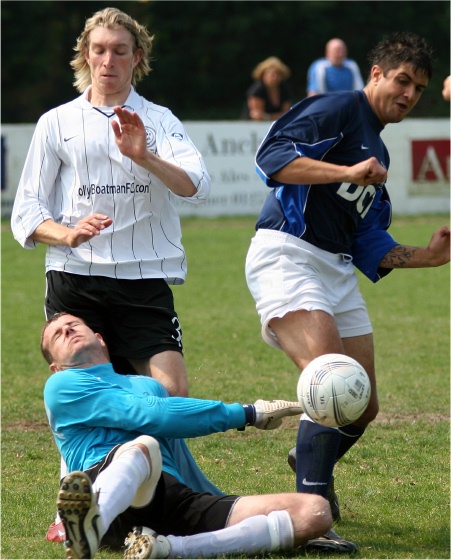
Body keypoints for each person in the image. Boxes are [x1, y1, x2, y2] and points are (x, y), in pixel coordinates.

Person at [10, 6, 211, 542]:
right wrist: (68, 233)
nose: (108, 59)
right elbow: (26, 213)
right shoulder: (56, 122)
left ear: (136, 58)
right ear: (85, 56)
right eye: (99, 50)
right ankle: (72, 504)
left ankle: (141, 491)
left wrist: (144, 155)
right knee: (75, 399)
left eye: (120, 50)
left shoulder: (159, 120)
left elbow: (195, 184)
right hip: (74, 276)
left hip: (145, 280)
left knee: (167, 396)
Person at [245, 31, 450, 554]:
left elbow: (368, 244)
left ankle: (308, 458)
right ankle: (311, 518)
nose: (408, 94)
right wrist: (345, 170)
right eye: (402, 80)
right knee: (332, 380)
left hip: (335, 268)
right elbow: (271, 158)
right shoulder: (337, 107)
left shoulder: (378, 148)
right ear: (376, 74)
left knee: (362, 407)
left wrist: (428, 255)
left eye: (419, 89)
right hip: (288, 253)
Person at [41, 312, 332, 559]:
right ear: (55, 366)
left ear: (100, 338)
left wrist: (219, 502)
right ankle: (93, 524)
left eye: (74, 325)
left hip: (167, 497)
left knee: (313, 511)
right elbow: (154, 415)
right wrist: (248, 413)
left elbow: (177, 450)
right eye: (57, 335)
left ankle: (168, 548)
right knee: (142, 447)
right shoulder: (61, 385)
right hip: (105, 492)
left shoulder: (146, 385)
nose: (67, 330)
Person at [242, 56, 293, 121]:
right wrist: (276, 116)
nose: (274, 78)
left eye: (278, 74)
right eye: (271, 74)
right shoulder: (257, 90)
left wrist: (267, 116)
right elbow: (256, 115)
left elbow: (287, 114)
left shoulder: (285, 89)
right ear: (263, 75)